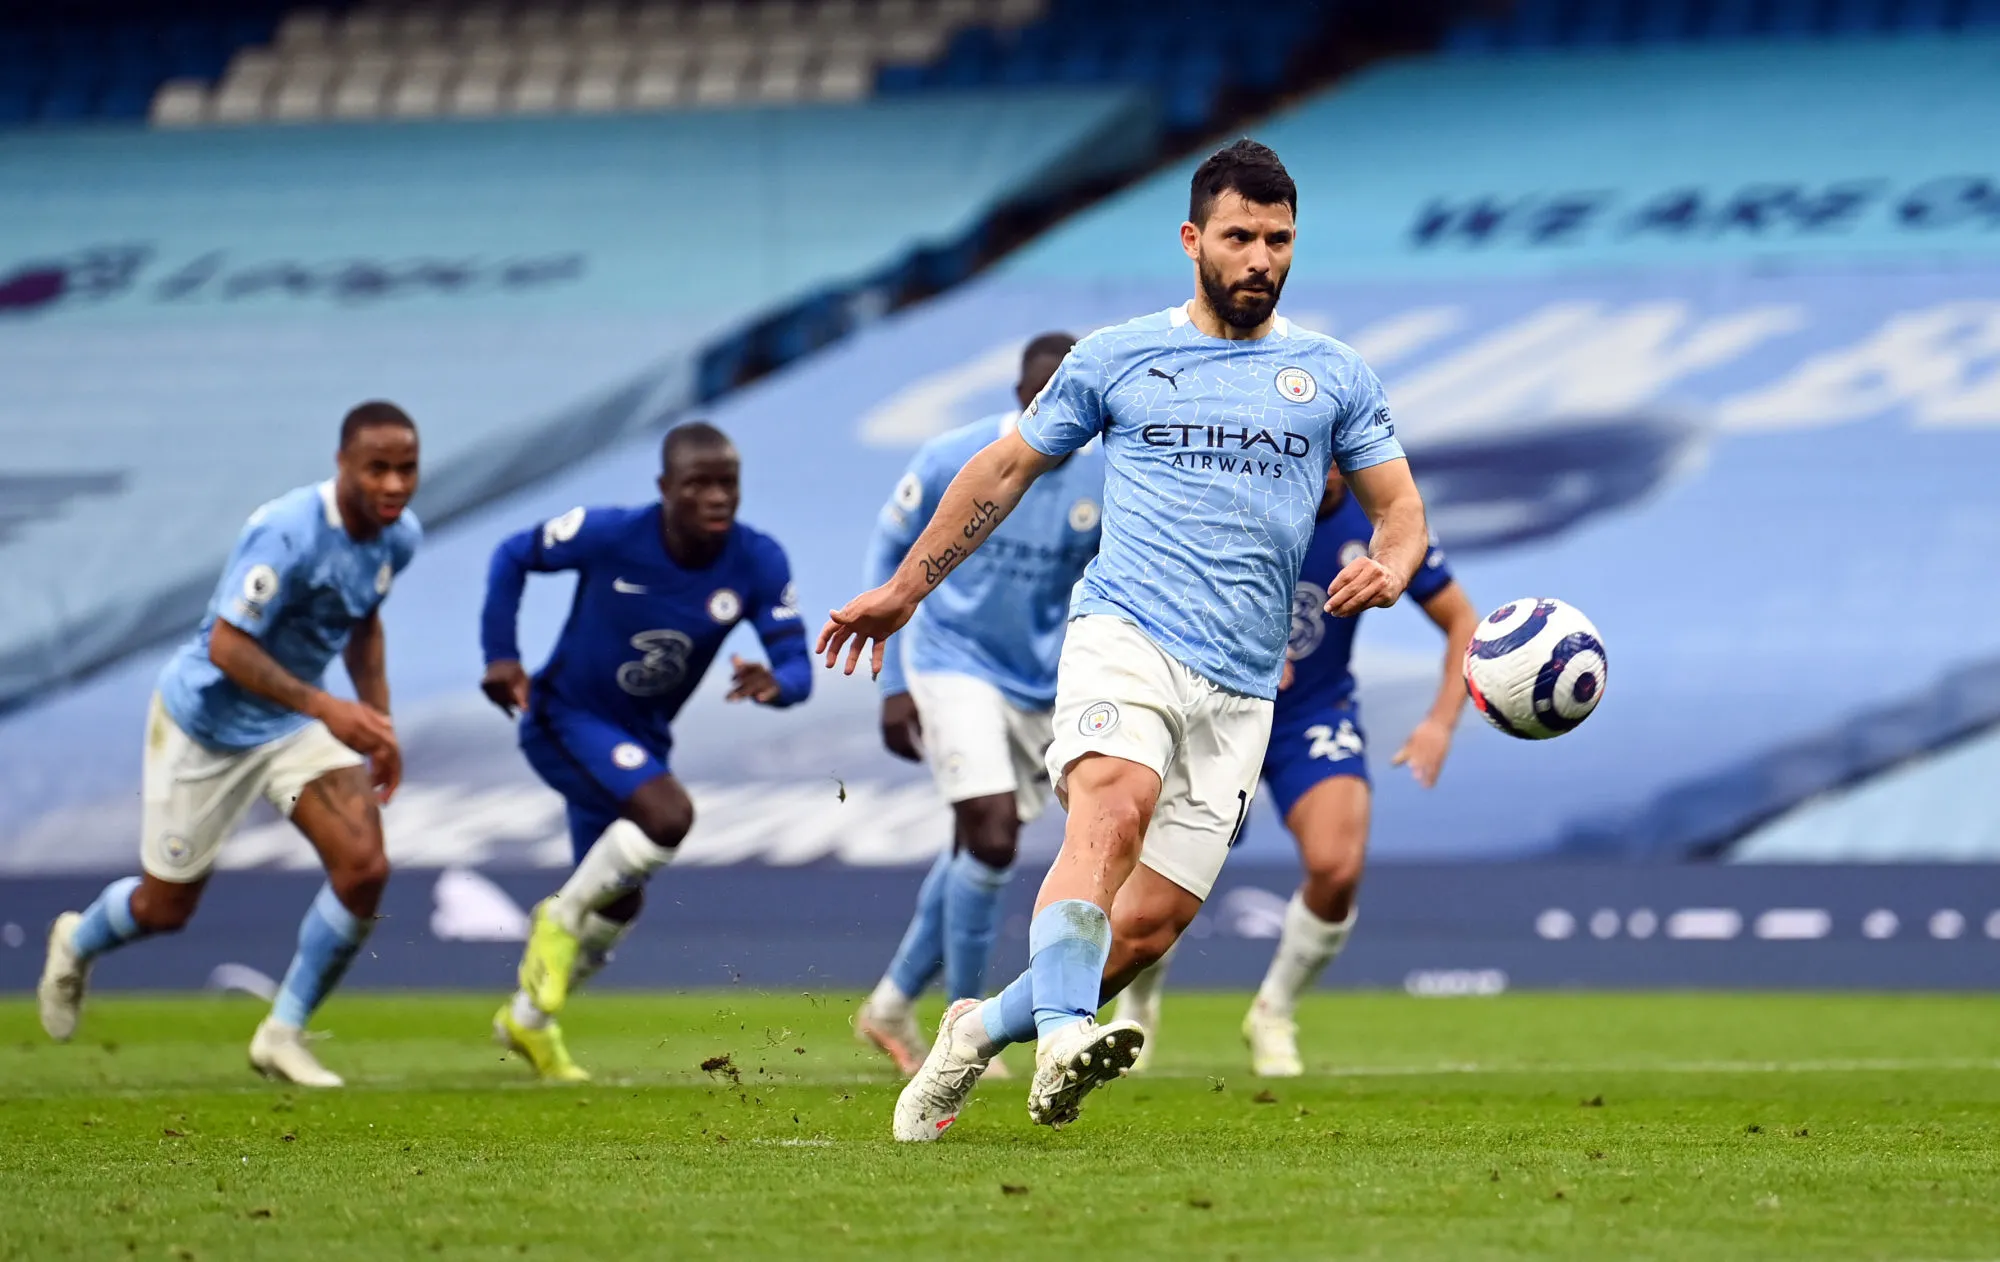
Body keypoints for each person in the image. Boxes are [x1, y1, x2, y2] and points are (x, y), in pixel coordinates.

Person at [817, 138, 1432, 1140]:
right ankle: (1062, 1038)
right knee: (1111, 805)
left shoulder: (1332, 376)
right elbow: (1002, 469)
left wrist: (1393, 563)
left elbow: (1399, 506)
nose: (1259, 259)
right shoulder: (1115, 355)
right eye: (1238, 236)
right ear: (1193, 239)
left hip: (1241, 684)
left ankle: (978, 1030)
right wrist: (902, 589)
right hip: (1126, 634)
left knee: (1146, 925)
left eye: (1277, 240)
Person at [37, 402, 423, 1087]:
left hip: (289, 725)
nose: (394, 485)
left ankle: (282, 1033)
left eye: (407, 468)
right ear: (342, 466)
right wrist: (330, 706)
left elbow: (364, 623)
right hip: (206, 725)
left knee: (364, 867)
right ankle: (77, 939)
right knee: (166, 908)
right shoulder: (286, 534)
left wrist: (378, 723)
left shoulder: (398, 538)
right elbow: (226, 645)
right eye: (378, 469)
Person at [1113, 470, 1477, 1075]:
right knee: (1158, 879)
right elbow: (1154, 594)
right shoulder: (1237, 504)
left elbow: (1462, 621)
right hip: (1219, 704)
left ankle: (1273, 1012)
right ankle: (1138, 1005)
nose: (1329, 464)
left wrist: (1439, 722)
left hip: (1310, 712)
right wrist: (1235, 644)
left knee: (1337, 867)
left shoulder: (1384, 520)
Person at [480, 421, 810, 1082]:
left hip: (640, 741)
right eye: (698, 485)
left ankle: (528, 1022)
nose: (716, 498)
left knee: (621, 903)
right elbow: (512, 553)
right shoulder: (610, 534)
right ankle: (558, 915)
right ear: (665, 488)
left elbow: (797, 667)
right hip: (563, 719)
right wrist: (501, 656)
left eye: (728, 484)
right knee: (667, 817)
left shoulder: (757, 560)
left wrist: (775, 685)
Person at [854, 333, 1104, 1076]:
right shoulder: (951, 457)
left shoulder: (1106, 481)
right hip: (949, 660)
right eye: (1040, 403)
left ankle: (891, 1001)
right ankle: (963, 1023)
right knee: (992, 837)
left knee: (975, 849)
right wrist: (895, 679)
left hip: (1039, 682)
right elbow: (888, 552)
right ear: (1021, 398)